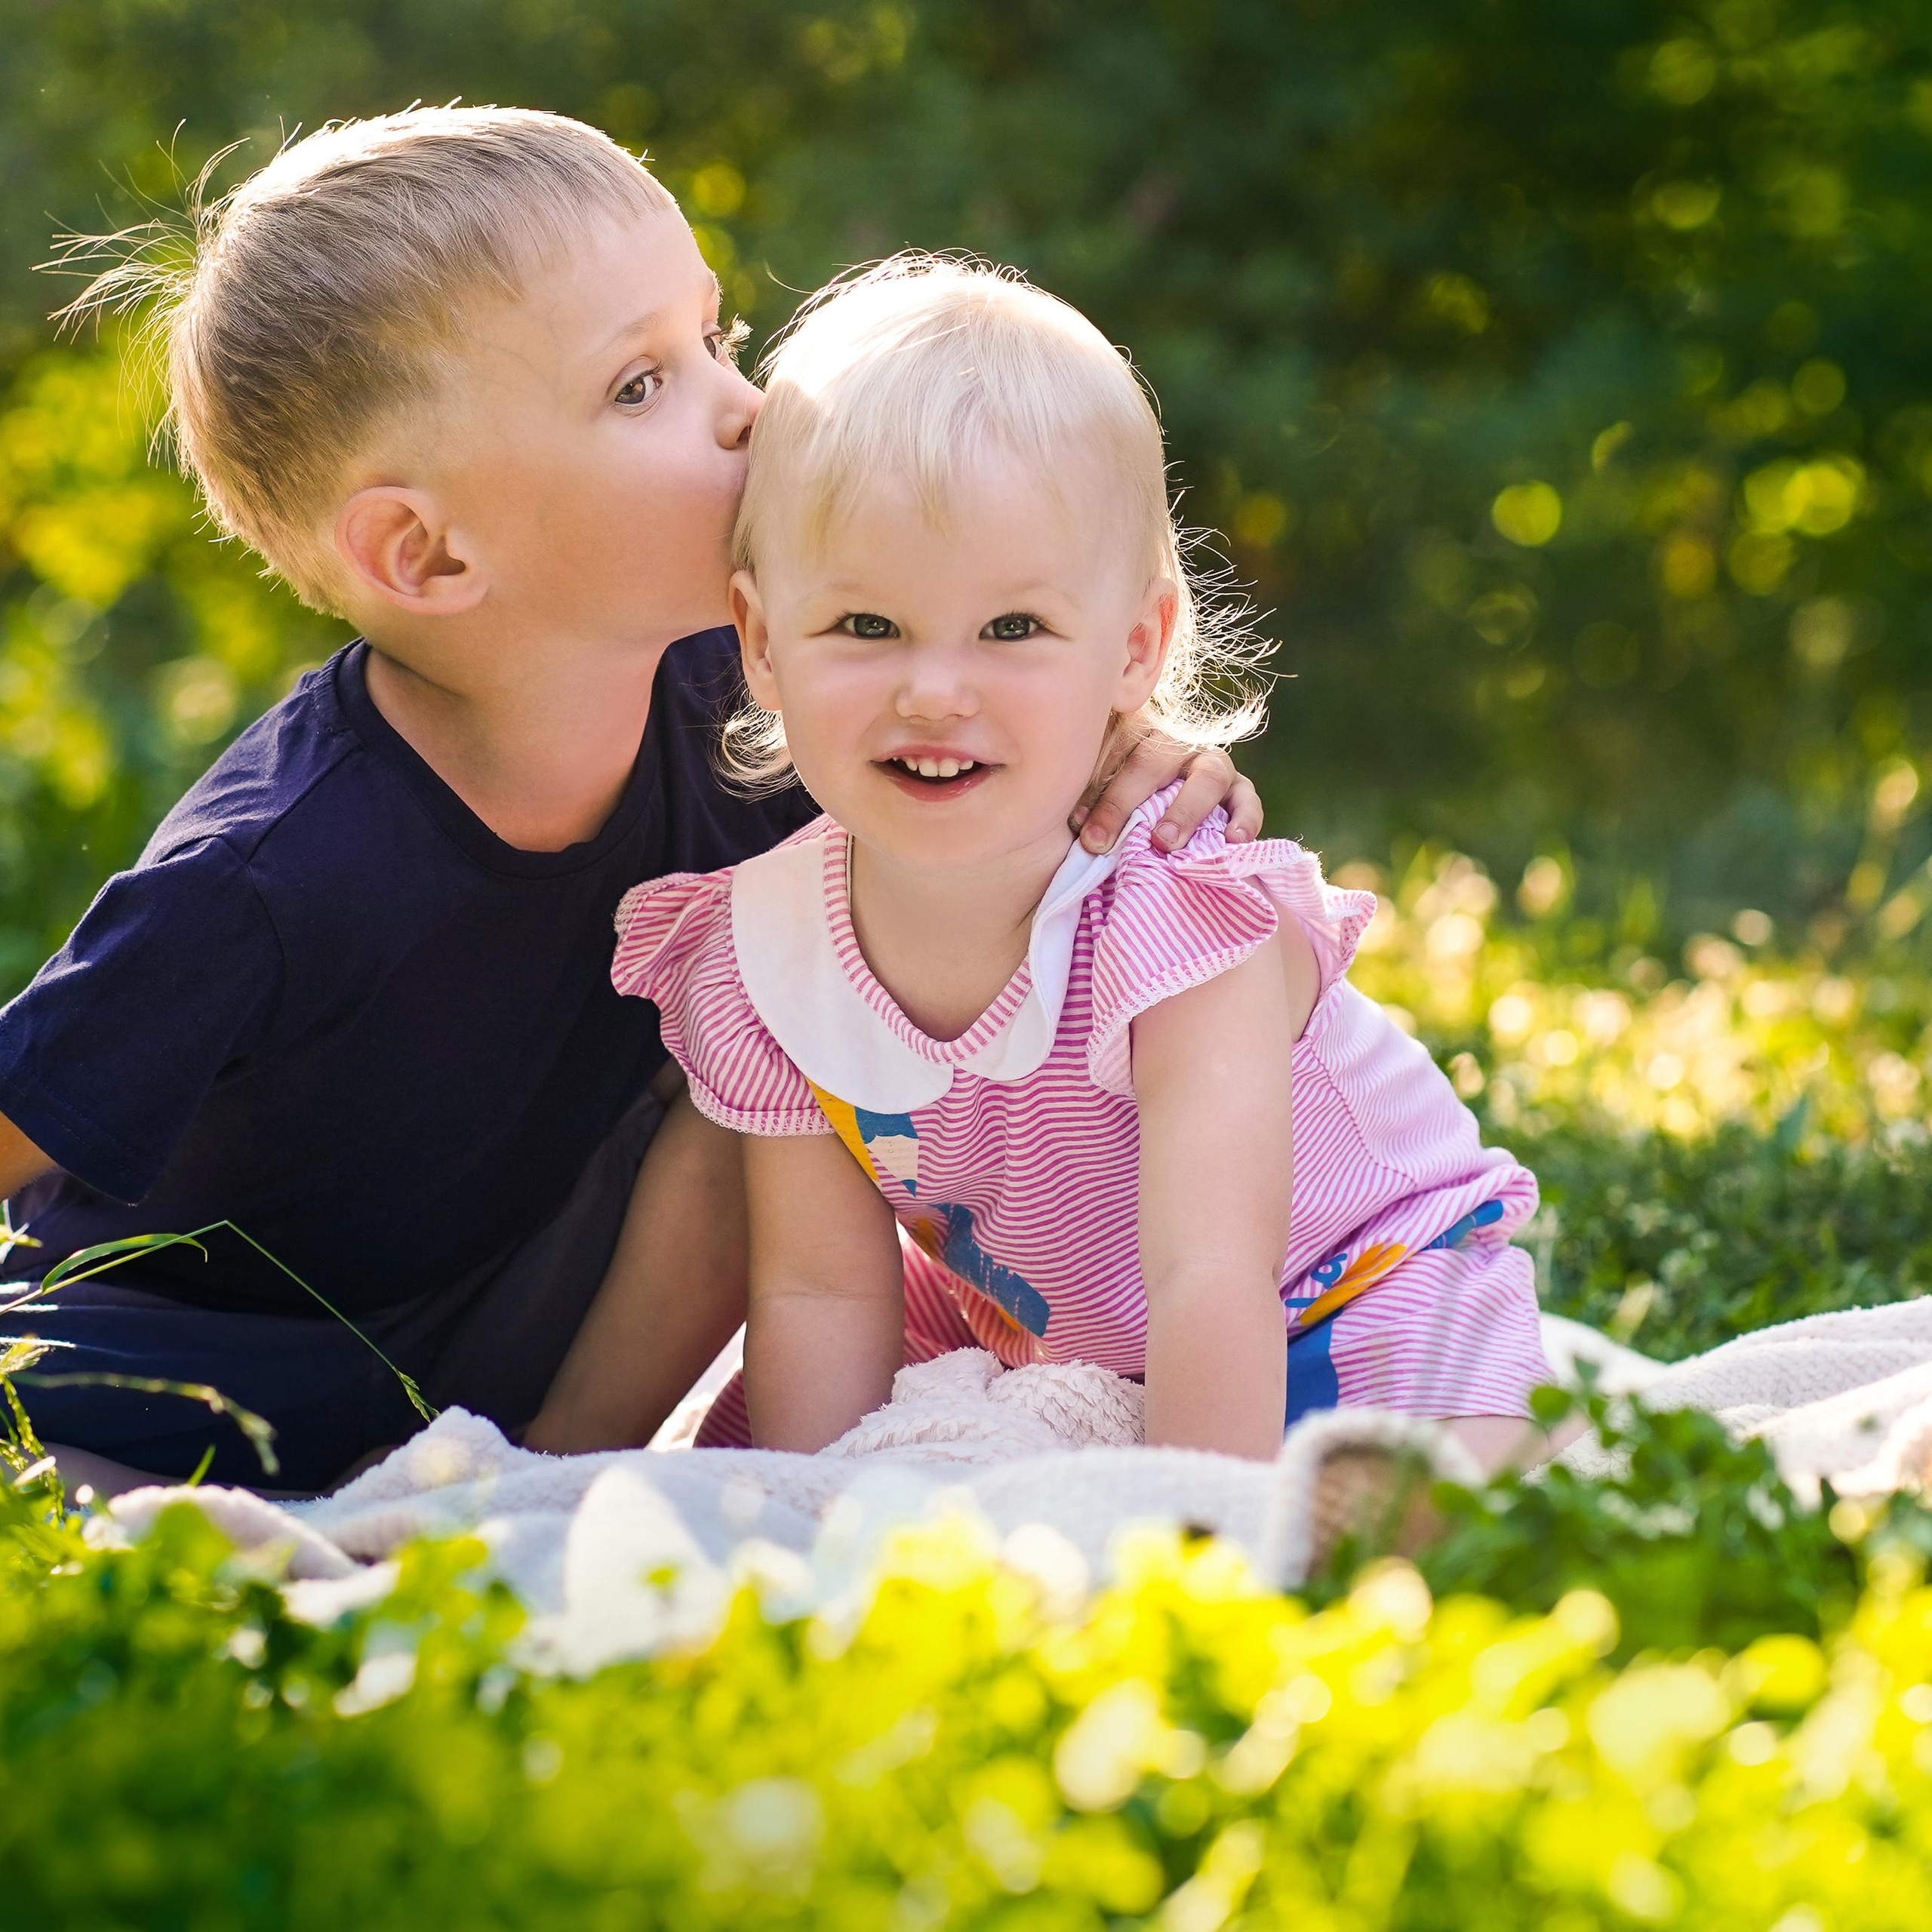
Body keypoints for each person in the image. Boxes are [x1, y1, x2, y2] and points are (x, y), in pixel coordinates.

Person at [0, 112, 1258, 1499]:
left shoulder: (756, 706)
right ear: (425, 552)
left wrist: (1111, 749)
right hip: (180, 1371)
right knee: (67, 1488)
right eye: (642, 385)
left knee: (769, 1045)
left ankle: (542, 1484)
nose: (748, 405)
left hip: (502, 1356)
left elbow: (967, 748)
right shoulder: (269, 872)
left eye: (714, 340)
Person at [611, 257, 1556, 1469]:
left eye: (1013, 629)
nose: (935, 691)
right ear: (759, 642)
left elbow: (1214, 1271)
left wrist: (1188, 1534)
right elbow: (820, 1296)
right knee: (756, 1445)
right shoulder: (770, 952)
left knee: (1445, 1469)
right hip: (1050, 1321)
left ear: (1132, 649)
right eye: (865, 626)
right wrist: (812, 1517)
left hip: (1344, 1271)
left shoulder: (1171, 911)